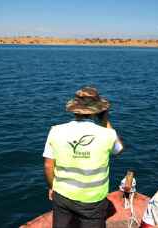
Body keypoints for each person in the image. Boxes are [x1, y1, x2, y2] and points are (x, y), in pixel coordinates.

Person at [43, 86, 124, 228]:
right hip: (93, 199)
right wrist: (105, 120)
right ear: (98, 110)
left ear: (75, 109)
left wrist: (52, 187)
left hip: (62, 194)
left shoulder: (55, 131)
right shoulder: (108, 134)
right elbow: (119, 150)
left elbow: (48, 165)